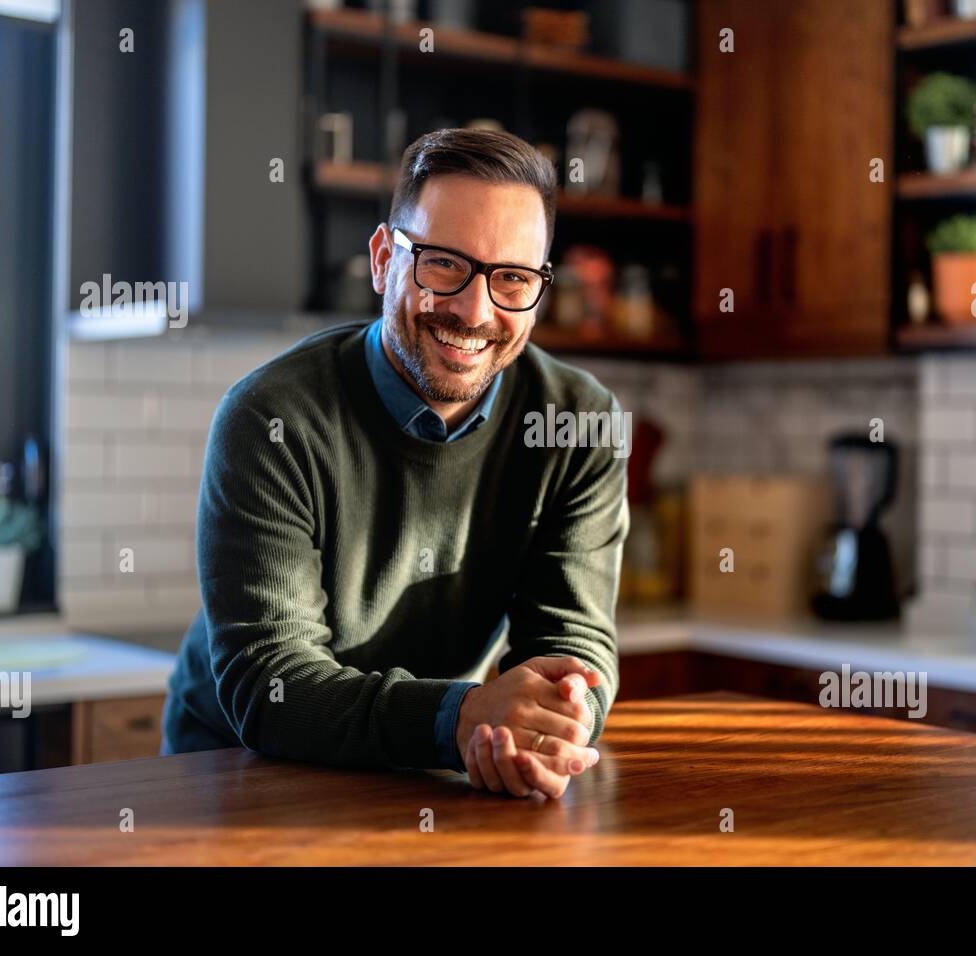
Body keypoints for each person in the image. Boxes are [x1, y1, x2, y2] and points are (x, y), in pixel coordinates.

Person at [161, 127, 629, 800]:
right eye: (443, 263)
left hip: (433, 774)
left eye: (513, 278)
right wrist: (460, 717)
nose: (476, 310)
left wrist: (550, 724)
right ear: (384, 259)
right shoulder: (269, 419)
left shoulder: (579, 425)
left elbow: (572, 637)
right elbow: (272, 681)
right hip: (240, 770)